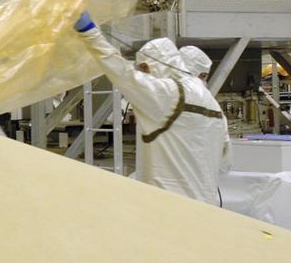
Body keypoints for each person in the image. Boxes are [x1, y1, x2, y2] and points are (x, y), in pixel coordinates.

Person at [73, 13, 230, 204]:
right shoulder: (211, 102)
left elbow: (122, 72)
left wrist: (89, 32)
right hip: (207, 204)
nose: (144, 75)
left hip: (169, 205)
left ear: (159, 64)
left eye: (145, 69)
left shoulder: (169, 95)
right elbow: (225, 162)